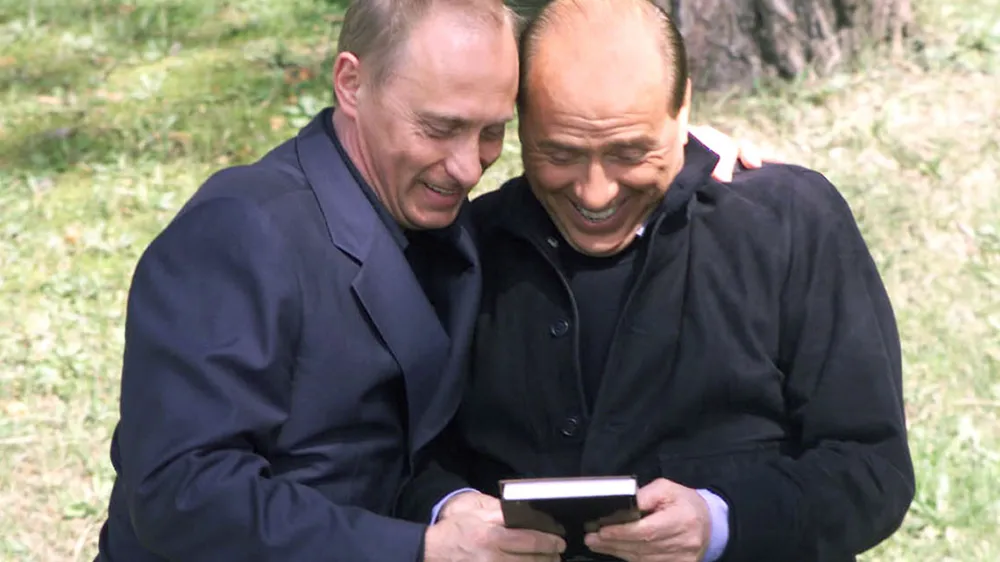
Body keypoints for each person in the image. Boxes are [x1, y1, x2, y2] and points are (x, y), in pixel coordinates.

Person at [94, 0, 761, 560]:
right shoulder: (243, 230)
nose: (468, 167)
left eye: (492, 131)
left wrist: (663, 149)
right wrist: (419, 549)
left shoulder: (436, 213)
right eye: (440, 128)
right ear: (351, 84)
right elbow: (180, 494)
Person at [402, 1, 916, 561]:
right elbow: (400, 455)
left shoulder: (789, 224)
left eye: (629, 152)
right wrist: (448, 507)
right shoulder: (466, 249)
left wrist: (720, 523)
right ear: (518, 122)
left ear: (684, 107)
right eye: (561, 153)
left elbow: (872, 469)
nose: (595, 193)